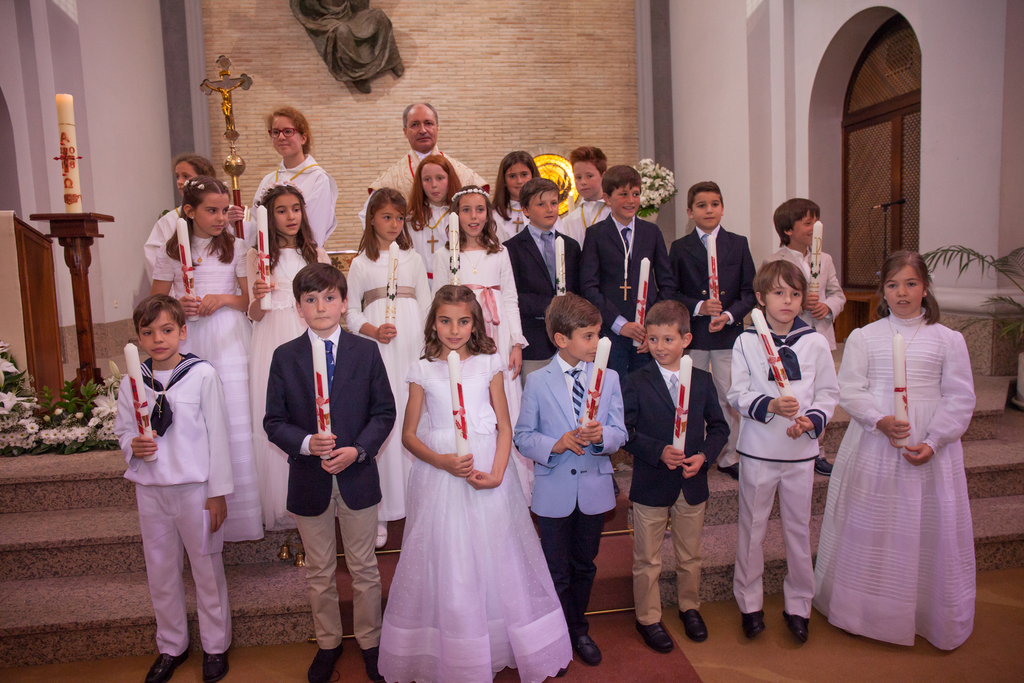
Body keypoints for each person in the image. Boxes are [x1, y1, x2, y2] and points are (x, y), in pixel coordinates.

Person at [379, 285, 572, 683]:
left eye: (463, 321)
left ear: (475, 324)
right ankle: (459, 650)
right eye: (445, 321)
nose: (454, 330)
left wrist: (499, 474)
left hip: (488, 469)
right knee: (450, 556)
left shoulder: (489, 363)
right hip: (441, 476)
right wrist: (443, 462)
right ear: (434, 323)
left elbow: (505, 426)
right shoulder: (421, 369)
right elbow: (409, 436)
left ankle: (506, 640)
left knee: (498, 551)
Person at [814, 251, 977, 651]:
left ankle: (924, 610)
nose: (902, 292)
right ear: (882, 291)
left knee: (924, 525)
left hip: (929, 444)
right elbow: (850, 388)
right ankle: (864, 610)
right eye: (892, 285)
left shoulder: (948, 339)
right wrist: (878, 419)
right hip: (875, 442)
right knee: (874, 522)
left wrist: (935, 440)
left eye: (910, 284)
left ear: (925, 288)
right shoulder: (865, 336)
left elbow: (960, 397)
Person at [263, 263, 396, 683]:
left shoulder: (365, 352)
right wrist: (306, 442)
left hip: (357, 475)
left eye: (329, 298)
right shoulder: (285, 357)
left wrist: (358, 450)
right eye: (310, 299)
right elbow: (274, 421)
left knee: (364, 567)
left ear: (343, 303)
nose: (321, 306)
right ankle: (328, 643)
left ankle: (371, 642)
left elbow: (384, 412)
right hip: (309, 477)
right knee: (319, 570)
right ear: (298, 307)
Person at [114, 295, 232, 683]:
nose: (158, 339)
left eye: (166, 330)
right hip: (151, 489)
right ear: (139, 338)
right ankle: (171, 645)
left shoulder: (202, 375)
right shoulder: (132, 382)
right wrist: (132, 445)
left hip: (196, 489)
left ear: (182, 332)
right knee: (161, 571)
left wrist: (217, 492)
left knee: (206, 569)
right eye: (148, 332)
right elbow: (123, 429)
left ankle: (215, 646)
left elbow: (218, 435)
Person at [727, 260, 839, 643]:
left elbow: (828, 393)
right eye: (778, 293)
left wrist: (811, 420)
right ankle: (749, 603)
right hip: (759, 450)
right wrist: (771, 405)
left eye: (794, 293)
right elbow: (737, 393)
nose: (787, 301)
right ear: (761, 298)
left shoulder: (815, 342)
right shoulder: (745, 342)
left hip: (800, 452)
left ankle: (799, 606)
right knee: (752, 529)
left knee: (798, 530)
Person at [514, 293, 628, 669]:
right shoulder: (537, 381)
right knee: (556, 569)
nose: (597, 342)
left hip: (593, 489)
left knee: (584, 565)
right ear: (562, 339)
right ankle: (557, 634)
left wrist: (602, 436)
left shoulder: (608, 378)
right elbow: (523, 436)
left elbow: (620, 431)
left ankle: (579, 629)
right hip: (554, 490)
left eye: (598, 334)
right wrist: (556, 444)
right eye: (589, 336)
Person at [151, 176, 263, 542]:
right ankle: (193, 510)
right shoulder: (170, 252)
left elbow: (249, 302)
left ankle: (242, 516)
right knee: (196, 419)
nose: (220, 218)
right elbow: (154, 304)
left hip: (229, 339)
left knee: (234, 418)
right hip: (192, 339)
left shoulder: (237, 246)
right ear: (189, 211)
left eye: (224, 210)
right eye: (211, 211)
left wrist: (224, 298)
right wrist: (176, 305)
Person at [623, 300, 729, 650]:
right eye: (653, 339)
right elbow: (626, 432)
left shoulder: (702, 380)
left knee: (690, 555)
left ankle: (689, 607)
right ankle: (648, 617)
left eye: (668, 339)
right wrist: (658, 451)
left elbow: (719, 427)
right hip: (652, 482)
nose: (660, 347)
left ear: (686, 339)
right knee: (647, 558)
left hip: (691, 482)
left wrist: (704, 456)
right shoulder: (635, 381)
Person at [430, 186, 533, 499]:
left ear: (488, 214)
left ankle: (510, 479)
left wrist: (516, 343)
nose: (473, 217)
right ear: (455, 215)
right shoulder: (443, 255)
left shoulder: (499, 252)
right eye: (466, 210)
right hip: (463, 332)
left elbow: (511, 297)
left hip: (498, 332)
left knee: (503, 401)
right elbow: (438, 302)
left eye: (479, 209)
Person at [346, 188, 432, 547]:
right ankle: (379, 511)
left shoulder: (413, 259)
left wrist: (429, 346)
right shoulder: (360, 264)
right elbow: (350, 311)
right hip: (378, 348)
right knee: (382, 419)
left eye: (399, 217)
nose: (394, 224)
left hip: (411, 344)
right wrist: (371, 329)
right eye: (386, 217)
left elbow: (426, 306)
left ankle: (420, 506)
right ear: (372, 220)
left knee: (415, 417)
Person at [246, 184, 331, 531]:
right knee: (283, 413)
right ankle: (284, 503)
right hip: (272, 338)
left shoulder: (316, 253)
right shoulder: (257, 257)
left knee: (313, 408)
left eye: (295, 209)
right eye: (281, 211)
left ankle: (320, 494)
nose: (291, 216)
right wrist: (258, 296)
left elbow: (329, 303)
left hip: (310, 335)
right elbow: (254, 314)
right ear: (268, 217)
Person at [669, 181, 756, 480]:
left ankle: (731, 455)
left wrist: (729, 315)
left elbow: (749, 291)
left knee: (729, 395)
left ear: (722, 208)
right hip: (693, 335)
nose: (709, 210)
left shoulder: (738, 243)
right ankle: (695, 452)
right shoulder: (680, 248)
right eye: (702, 205)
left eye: (714, 204)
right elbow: (671, 291)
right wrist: (698, 307)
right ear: (690, 212)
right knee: (691, 395)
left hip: (727, 335)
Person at [762, 198, 846, 476]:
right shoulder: (774, 261)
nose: (814, 227)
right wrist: (798, 303)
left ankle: (817, 450)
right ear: (788, 229)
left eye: (816, 222)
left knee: (820, 391)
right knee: (795, 391)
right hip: (787, 338)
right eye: (808, 222)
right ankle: (786, 442)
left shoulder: (826, 259)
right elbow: (771, 300)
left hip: (819, 333)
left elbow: (837, 294)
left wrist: (828, 307)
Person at [581, 165, 675, 378]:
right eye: (623, 194)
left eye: (635, 194)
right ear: (607, 198)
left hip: (647, 334)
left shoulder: (651, 232)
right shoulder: (596, 234)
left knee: (645, 389)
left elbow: (667, 283)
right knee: (613, 386)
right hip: (610, 331)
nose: (631, 200)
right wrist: (619, 324)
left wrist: (652, 327)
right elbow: (589, 286)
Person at [504, 178, 583, 380]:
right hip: (534, 341)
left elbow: (579, 288)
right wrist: (553, 305)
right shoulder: (512, 249)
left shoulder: (571, 246)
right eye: (541, 204)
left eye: (554, 203)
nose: (550, 209)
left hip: (570, 341)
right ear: (525, 210)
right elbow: (514, 295)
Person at [360, 103, 487, 226]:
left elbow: (483, 214)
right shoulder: (391, 178)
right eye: (415, 125)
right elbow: (369, 218)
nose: (423, 130)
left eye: (428, 123)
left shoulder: (461, 173)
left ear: (437, 127)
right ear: (405, 131)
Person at [228, 107, 339, 248]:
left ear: (303, 138)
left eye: (288, 131)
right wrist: (237, 224)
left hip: (303, 255)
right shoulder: (268, 180)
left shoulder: (318, 178)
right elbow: (257, 228)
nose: (281, 137)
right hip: (270, 256)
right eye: (276, 132)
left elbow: (314, 230)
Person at [144, 153, 217, 297]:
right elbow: (155, 258)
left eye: (185, 176)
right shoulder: (168, 220)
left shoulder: (220, 217)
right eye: (177, 176)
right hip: (180, 293)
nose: (179, 181)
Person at [406, 154, 462, 279]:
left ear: (450, 179)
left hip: (453, 281)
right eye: (427, 179)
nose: (434, 185)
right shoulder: (411, 218)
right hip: (420, 281)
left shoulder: (460, 215)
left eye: (440, 178)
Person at [561, 146, 610, 247]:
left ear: (603, 176)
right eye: (578, 177)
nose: (583, 182)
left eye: (589, 176)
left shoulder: (615, 213)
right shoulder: (568, 222)